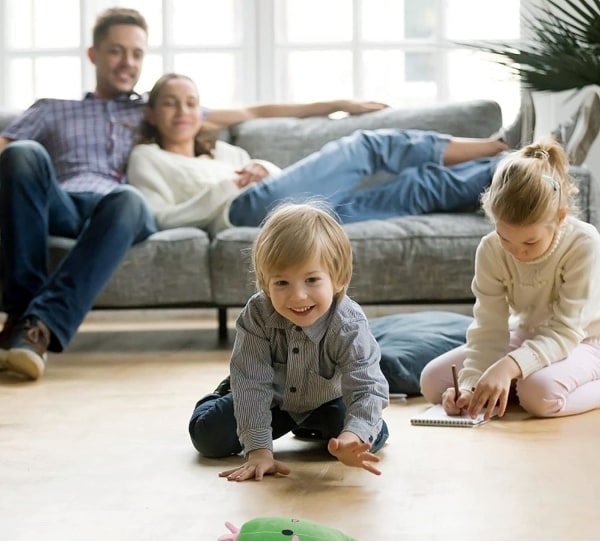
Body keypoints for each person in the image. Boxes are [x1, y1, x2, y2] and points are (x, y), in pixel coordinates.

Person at [0, 10, 387, 381]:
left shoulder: (154, 108)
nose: (127, 62)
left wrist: (339, 104)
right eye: (116, 50)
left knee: (129, 198)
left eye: (136, 53)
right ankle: (22, 317)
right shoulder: (51, 110)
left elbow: (253, 112)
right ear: (93, 55)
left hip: (120, 212)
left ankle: (37, 326)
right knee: (21, 153)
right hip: (63, 204)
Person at [127, 74, 600, 237]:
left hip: (289, 214)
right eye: (169, 102)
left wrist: (260, 168)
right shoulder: (148, 159)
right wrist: (229, 185)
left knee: (417, 189)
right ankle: (504, 144)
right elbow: (159, 219)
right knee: (365, 147)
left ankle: (537, 165)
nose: (182, 111)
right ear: (152, 112)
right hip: (242, 213)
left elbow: (274, 177)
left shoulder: (224, 148)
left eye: (191, 102)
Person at [188, 202, 390, 480]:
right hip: (270, 398)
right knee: (207, 437)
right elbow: (253, 384)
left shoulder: (349, 322)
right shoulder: (258, 314)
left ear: (339, 279)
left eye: (311, 280)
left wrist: (351, 436)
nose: (297, 296)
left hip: (326, 400)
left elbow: (367, 386)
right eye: (282, 283)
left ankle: (314, 426)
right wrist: (259, 451)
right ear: (265, 284)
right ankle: (225, 391)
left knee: (370, 436)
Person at [419, 137, 600, 421]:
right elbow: (488, 328)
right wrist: (469, 385)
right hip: (529, 335)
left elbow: (566, 332)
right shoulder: (490, 249)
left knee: (538, 395)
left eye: (530, 242)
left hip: (585, 340)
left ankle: (523, 383)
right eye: (506, 239)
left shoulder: (583, 243)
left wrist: (507, 368)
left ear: (560, 217)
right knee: (433, 382)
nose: (517, 253)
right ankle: (515, 382)